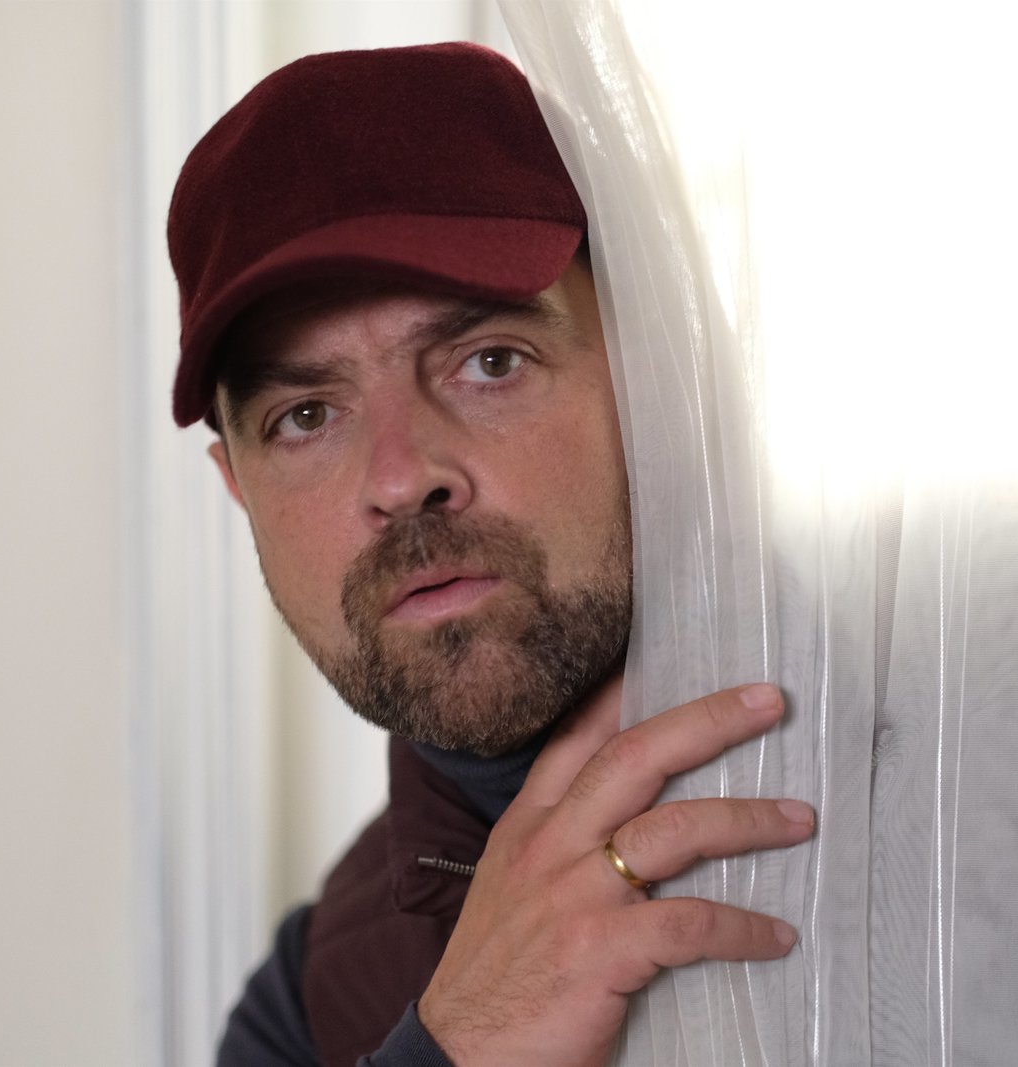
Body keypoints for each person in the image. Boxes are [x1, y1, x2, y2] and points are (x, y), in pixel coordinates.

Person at [167, 43, 816, 1067]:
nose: (400, 476)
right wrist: (458, 1044)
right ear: (239, 489)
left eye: (490, 361)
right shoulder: (310, 1009)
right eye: (305, 415)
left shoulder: (980, 755)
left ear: (658, 383)